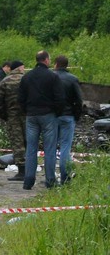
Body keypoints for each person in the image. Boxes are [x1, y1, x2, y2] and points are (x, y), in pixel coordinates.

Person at [18, 50, 65, 190]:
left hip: (31, 116)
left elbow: (20, 98)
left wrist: (27, 111)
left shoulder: (26, 77)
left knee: (31, 148)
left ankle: (28, 181)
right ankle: (50, 180)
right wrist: (57, 112)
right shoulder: (52, 76)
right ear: (46, 60)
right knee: (49, 148)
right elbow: (60, 98)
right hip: (48, 115)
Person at [0, 60, 26, 181]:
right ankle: (30, 168)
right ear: (20, 68)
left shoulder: (4, 81)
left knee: (17, 143)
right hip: (28, 116)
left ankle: (21, 171)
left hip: (12, 116)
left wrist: (4, 115)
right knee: (28, 141)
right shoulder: (26, 79)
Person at [54, 55, 83, 185]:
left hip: (52, 116)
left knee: (51, 147)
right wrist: (76, 116)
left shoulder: (50, 78)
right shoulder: (73, 79)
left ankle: (50, 177)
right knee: (65, 146)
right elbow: (79, 100)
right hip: (68, 116)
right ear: (67, 65)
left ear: (55, 64)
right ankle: (65, 177)